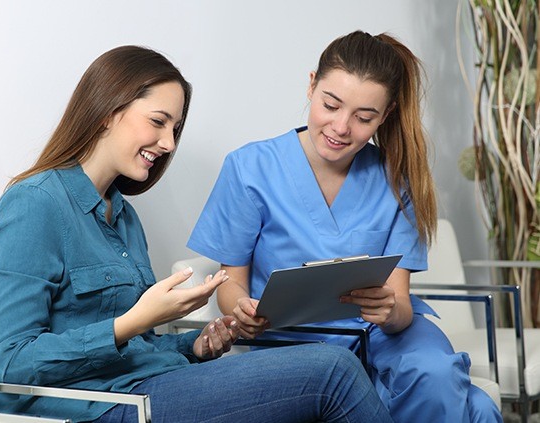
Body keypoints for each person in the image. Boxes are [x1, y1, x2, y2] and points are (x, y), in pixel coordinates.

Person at [0, 45, 393, 423]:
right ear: (107, 110)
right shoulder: (34, 204)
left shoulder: (123, 216)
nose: (168, 143)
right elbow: (13, 362)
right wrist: (134, 320)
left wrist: (195, 345)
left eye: (174, 128)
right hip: (98, 407)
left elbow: (139, 345)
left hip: (144, 387)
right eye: (158, 122)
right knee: (331, 370)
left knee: (328, 367)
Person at [187, 31, 503, 423]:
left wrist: (389, 312)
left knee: (435, 374)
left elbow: (400, 306)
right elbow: (230, 284)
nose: (341, 126)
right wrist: (241, 309)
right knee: (478, 409)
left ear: (384, 116)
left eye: (363, 117)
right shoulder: (249, 169)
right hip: (297, 346)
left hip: (387, 337)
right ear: (311, 85)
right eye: (330, 105)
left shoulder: (397, 177)